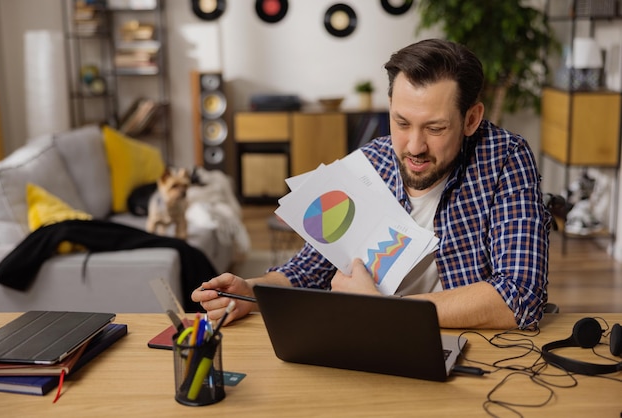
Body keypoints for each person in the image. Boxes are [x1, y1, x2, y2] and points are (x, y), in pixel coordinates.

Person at [193, 38, 551, 330]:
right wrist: (249, 292)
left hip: (468, 350)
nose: (414, 146)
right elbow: (307, 273)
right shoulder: (369, 163)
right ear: (390, 106)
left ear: (471, 119)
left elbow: (519, 296)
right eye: (401, 122)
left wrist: (387, 311)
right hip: (370, 338)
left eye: (435, 128)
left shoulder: (505, 158)